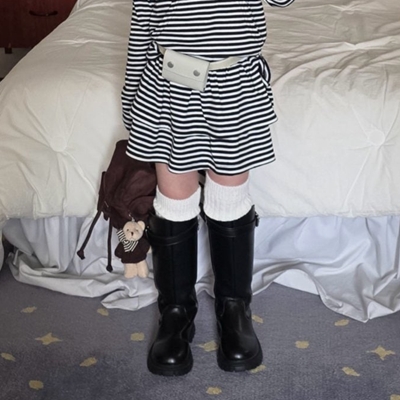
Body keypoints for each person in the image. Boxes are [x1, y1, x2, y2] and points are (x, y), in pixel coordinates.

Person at [121, 0, 295, 376]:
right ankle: (176, 313)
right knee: (174, 197)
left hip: (233, 84)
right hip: (169, 85)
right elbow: (141, 27)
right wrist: (131, 100)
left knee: (229, 197)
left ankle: (234, 309)